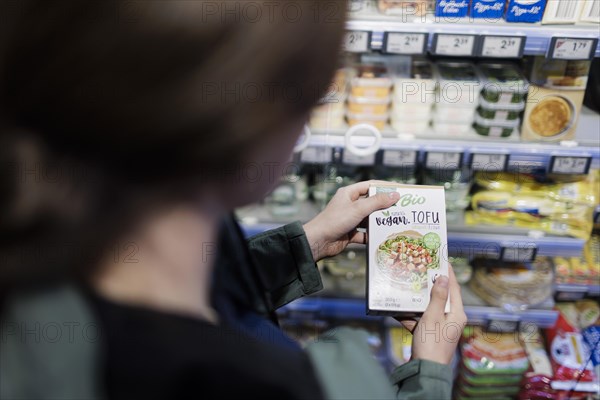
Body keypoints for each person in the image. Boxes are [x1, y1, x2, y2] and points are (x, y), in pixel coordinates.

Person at [0, 1, 467, 399]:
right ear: (254, 131)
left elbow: (209, 290)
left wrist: (302, 245)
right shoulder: (303, 385)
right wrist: (428, 373)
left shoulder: (36, 274)